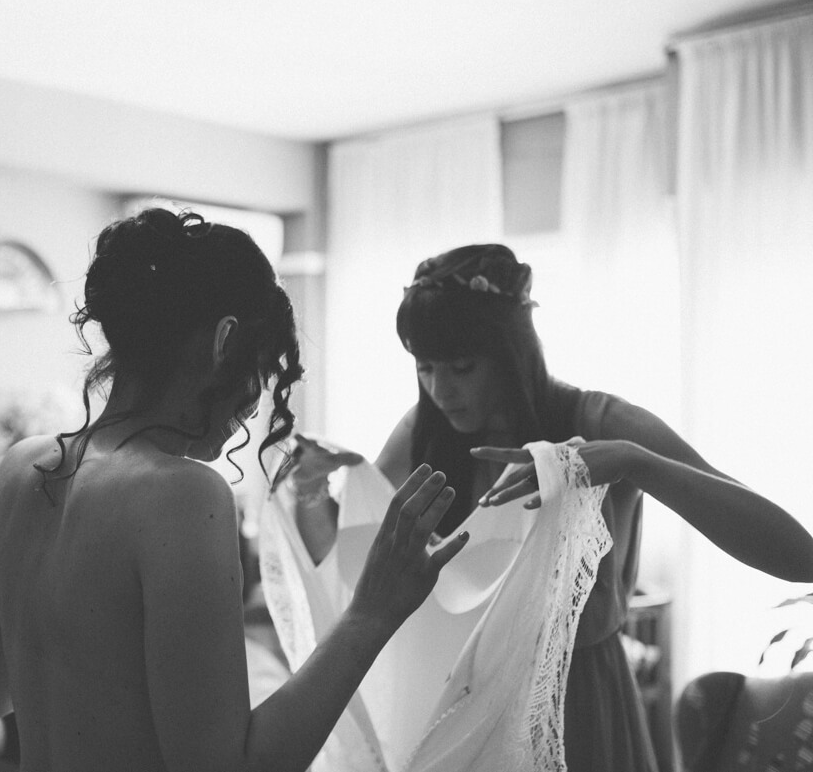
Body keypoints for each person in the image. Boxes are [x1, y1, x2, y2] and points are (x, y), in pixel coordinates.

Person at [0, 208, 470, 772]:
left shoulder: (19, 469)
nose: (256, 401)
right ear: (224, 340)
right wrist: (371, 613)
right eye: (261, 365)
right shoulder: (181, 496)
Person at [282, 243, 813, 772]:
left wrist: (636, 463)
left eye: (462, 368)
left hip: (573, 704)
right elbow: (360, 565)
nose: (440, 390)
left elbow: (797, 555)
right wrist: (311, 491)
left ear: (510, 354)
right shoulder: (425, 430)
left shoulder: (602, 422)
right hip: (458, 701)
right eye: (424, 368)